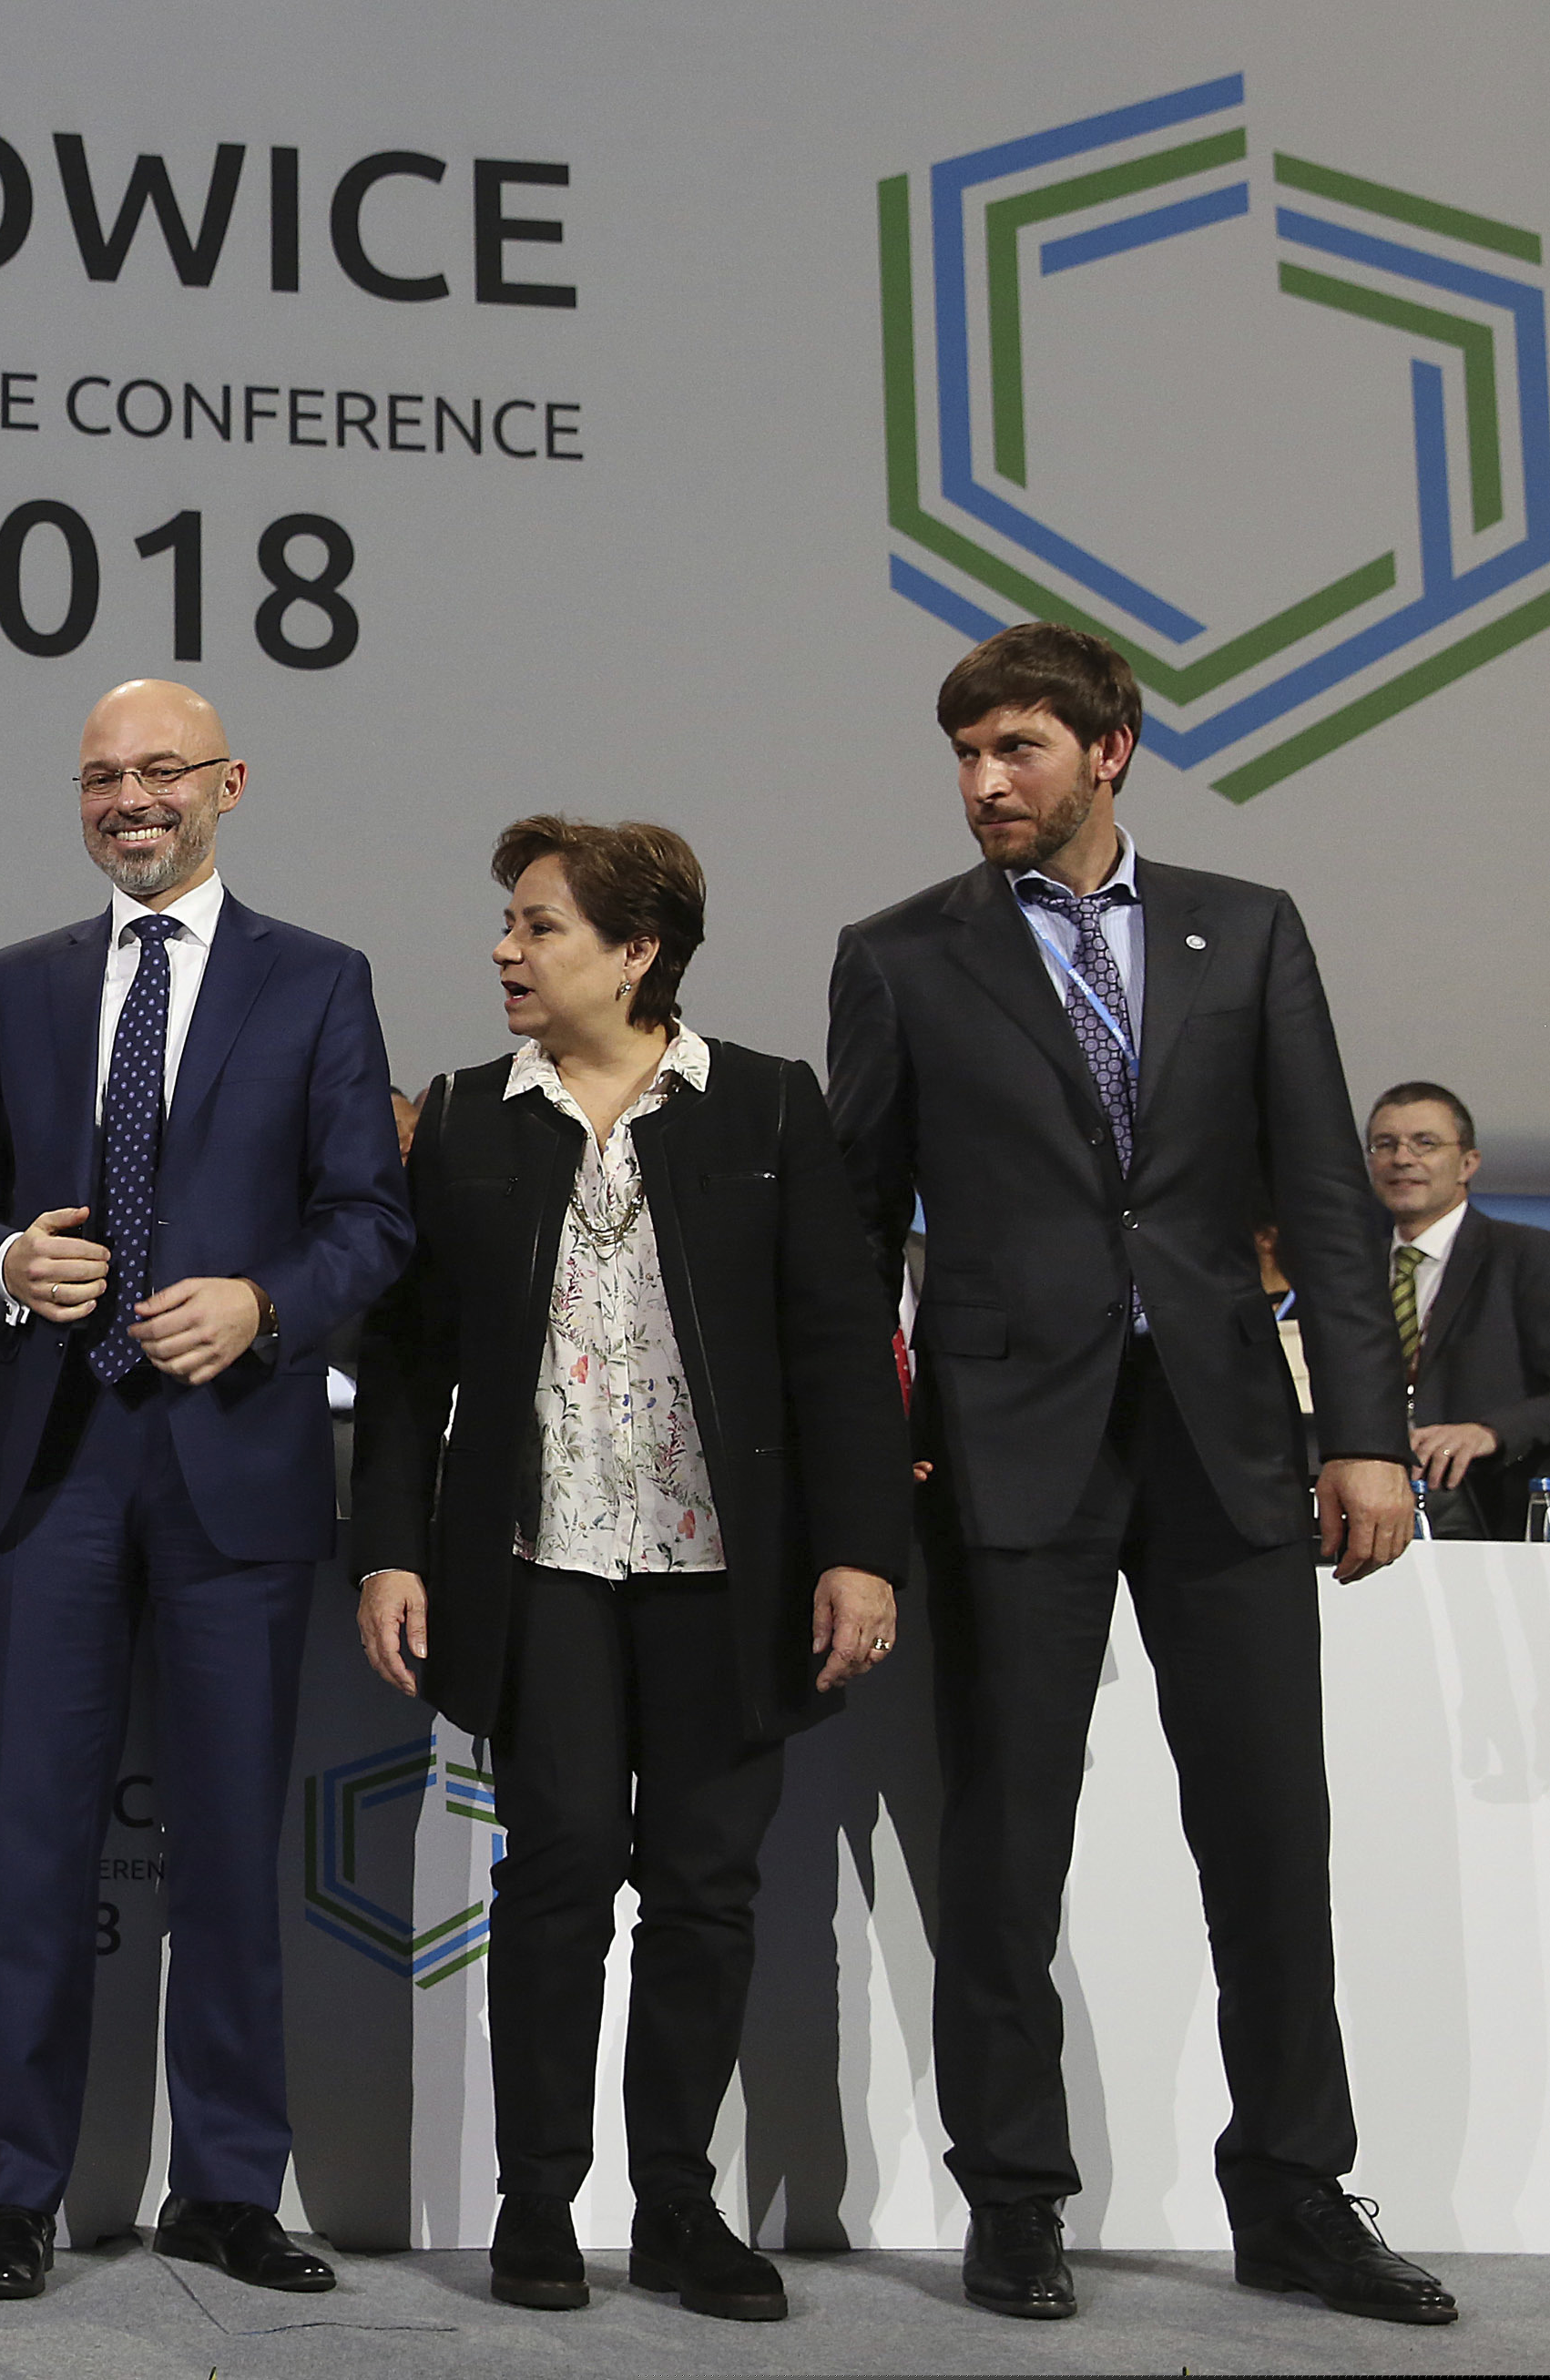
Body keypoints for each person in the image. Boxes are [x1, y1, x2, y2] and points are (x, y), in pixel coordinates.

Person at [827, 620, 1450, 2326]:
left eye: (1014, 748)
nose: (981, 782)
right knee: (1003, 1835)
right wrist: (868, 1472)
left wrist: (1362, 1432)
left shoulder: (1244, 929)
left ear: (1107, 750)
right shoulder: (897, 954)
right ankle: (1013, 2195)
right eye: (964, 754)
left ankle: (1294, 2193)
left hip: (1224, 1436)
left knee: (1268, 1828)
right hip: (1002, 1437)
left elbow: (1322, 1196)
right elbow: (853, 1240)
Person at [355, 817, 907, 2321]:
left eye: (537, 925)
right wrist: (389, 1548)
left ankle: (674, 2205)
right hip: (536, 1562)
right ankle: (535, 2200)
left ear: (634, 950)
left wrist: (860, 1550)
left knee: (704, 1889)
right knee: (553, 1874)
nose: (504, 949)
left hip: (724, 1568)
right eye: (508, 923)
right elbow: (403, 1362)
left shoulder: (767, 1103)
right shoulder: (464, 1112)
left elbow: (838, 1348)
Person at [0, 678, 410, 2301]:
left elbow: (370, 1218)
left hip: (233, 1465)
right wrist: (2, 1259)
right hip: (53, 1465)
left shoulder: (317, 980)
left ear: (227, 783)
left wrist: (264, 1301)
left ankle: (226, 2186)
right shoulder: (22, 980)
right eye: (98, 777)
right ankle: (16, 2194)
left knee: (228, 1852)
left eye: (158, 772)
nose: (127, 799)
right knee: (31, 1852)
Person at [1368, 1080, 1550, 1539]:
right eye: (1385, 1144)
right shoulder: (1349, 1272)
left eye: (1424, 1143)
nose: (1402, 1158)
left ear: (1468, 1163)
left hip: (1496, 1516)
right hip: (1364, 1511)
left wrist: (1490, 1431)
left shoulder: (1528, 1255)